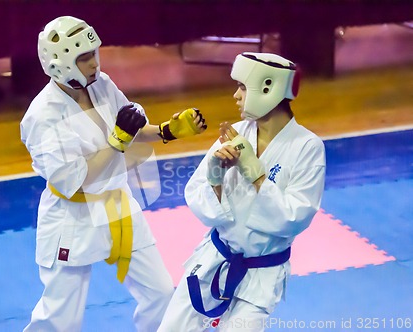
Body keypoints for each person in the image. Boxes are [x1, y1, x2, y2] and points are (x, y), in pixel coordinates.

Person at [20, 16, 207, 331]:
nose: (94, 62)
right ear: (60, 63)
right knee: (61, 316)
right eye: (84, 57)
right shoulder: (42, 117)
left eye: (94, 52)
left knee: (161, 293)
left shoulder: (102, 85)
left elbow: (128, 128)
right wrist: (117, 142)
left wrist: (167, 130)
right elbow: (72, 180)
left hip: (118, 206)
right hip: (73, 215)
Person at [158, 52, 326, 331]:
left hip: (261, 275)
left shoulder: (307, 147)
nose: (236, 95)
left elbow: (295, 217)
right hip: (213, 259)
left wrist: (255, 172)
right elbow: (199, 197)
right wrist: (215, 174)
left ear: (268, 88)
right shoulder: (236, 132)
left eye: (243, 87)